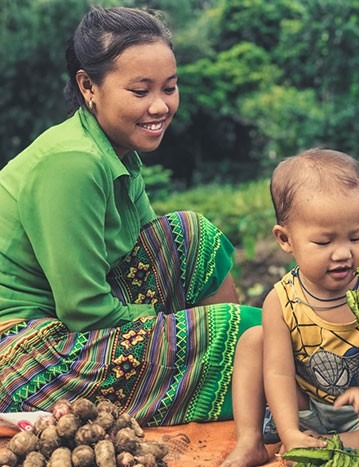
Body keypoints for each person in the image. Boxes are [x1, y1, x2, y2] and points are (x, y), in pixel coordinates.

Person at [0, 6, 260, 425]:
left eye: (169, 88)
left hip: (72, 323)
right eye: (140, 92)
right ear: (89, 86)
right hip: (24, 358)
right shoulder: (73, 164)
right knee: (236, 327)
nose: (159, 106)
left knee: (193, 236)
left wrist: (176, 324)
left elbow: (147, 253)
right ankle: (253, 392)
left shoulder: (118, 150)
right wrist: (176, 324)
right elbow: (84, 310)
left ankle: (249, 379)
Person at [223, 149, 359, 467]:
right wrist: (290, 430)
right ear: (285, 239)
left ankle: (331, 445)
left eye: (355, 237)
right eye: (324, 242)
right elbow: (279, 373)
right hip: (306, 406)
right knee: (253, 340)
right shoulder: (281, 301)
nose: (342, 253)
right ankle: (252, 441)